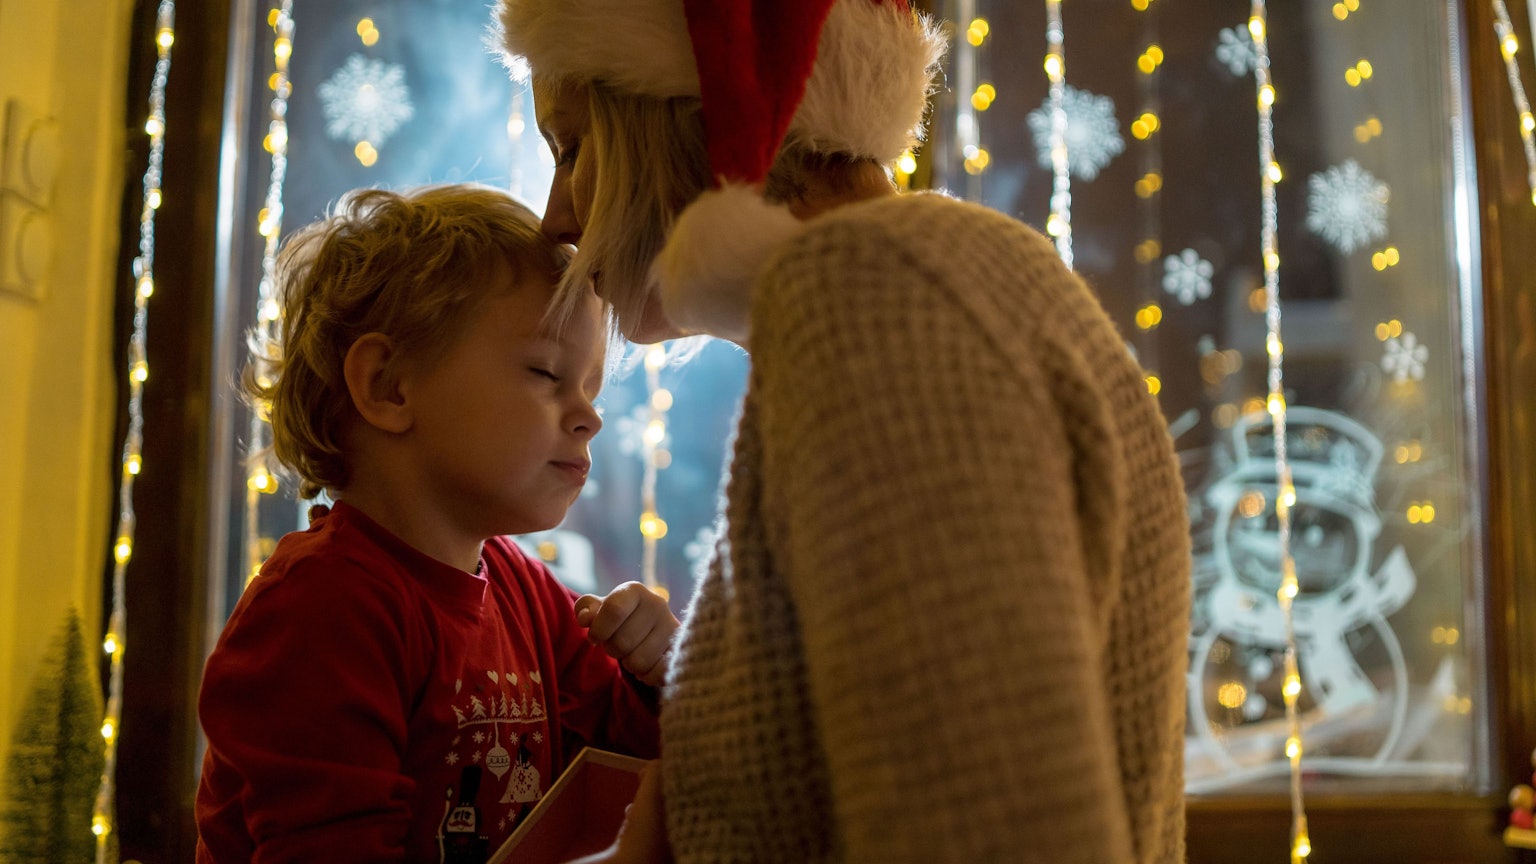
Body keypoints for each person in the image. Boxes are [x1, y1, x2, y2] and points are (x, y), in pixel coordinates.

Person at [499, 1, 1193, 863]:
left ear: (682, 112)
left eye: (572, 148)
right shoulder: (929, 283)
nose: (555, 219)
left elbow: (994, 826)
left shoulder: (872, 296)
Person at [195, 184, 678, 863]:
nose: (589, 415)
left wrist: (651, 676)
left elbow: (615, 775)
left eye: (591, 389)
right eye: (546, 372)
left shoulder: (525, 590)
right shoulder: (320, 610)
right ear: (389, 385)